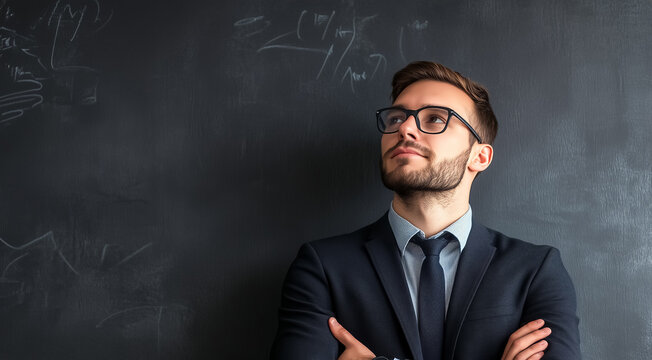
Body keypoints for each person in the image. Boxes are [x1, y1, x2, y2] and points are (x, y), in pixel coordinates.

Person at [270, 61, 581, 360]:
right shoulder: (323, 267)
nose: (405, 128)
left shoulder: (535, 270)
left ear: (480, 156)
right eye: (395, 118)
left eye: (435, 118)